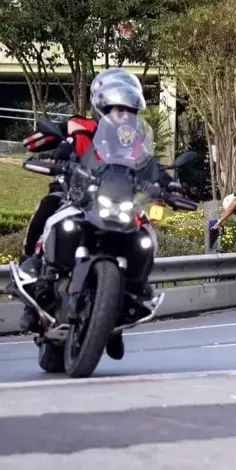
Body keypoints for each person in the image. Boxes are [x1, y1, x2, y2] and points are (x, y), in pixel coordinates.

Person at [16, 69, 144, 332]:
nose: (121, 114)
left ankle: (133, 294)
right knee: (47, 207)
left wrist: (167, 184)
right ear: (102, 105)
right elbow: (30, 143)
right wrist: (57, 143)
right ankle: (30, 288)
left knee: (143, 231)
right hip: (71, 192)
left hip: (113, 200)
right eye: (116, 107)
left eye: (126, 109)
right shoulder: (80, 126)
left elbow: (148, 167)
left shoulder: (133, 143)